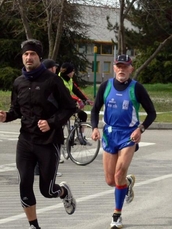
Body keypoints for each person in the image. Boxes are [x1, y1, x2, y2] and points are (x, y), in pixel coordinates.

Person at [0, 39, 77, 229]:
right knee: (24, 183)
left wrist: (51, 123)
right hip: (25, 140)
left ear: (39, 57)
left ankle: (63, 192)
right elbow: (16, 110)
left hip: (48, 141)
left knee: (47, 190)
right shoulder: (19, 82)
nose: (28, 57)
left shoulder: (52, 81)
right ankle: (33, 225)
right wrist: (5, 116)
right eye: (26, 54)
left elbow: (70, 108)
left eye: (32, 54)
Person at [91, 54, 156, 229]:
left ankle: (117, 215)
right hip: (109, 134)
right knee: (110, 180)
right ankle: (127, 184)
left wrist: (140, 129)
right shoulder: (106, 86)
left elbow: (152, 113)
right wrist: (95, 128)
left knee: (118, 173)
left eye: (125, 66)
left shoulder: (137, 88)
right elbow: (95, 109)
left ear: (130, 69)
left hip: (128, 135)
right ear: (114, 68)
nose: (121, 70)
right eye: (118, 66)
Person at [35, 58, 63, 175]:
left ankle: (37, 169)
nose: (56, 69)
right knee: (50, 146)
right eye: (54, 67)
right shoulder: (53, 81)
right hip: (50, 119)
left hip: (38, 119)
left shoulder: (39, 80)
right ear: (52, 68)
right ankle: (48, 171)